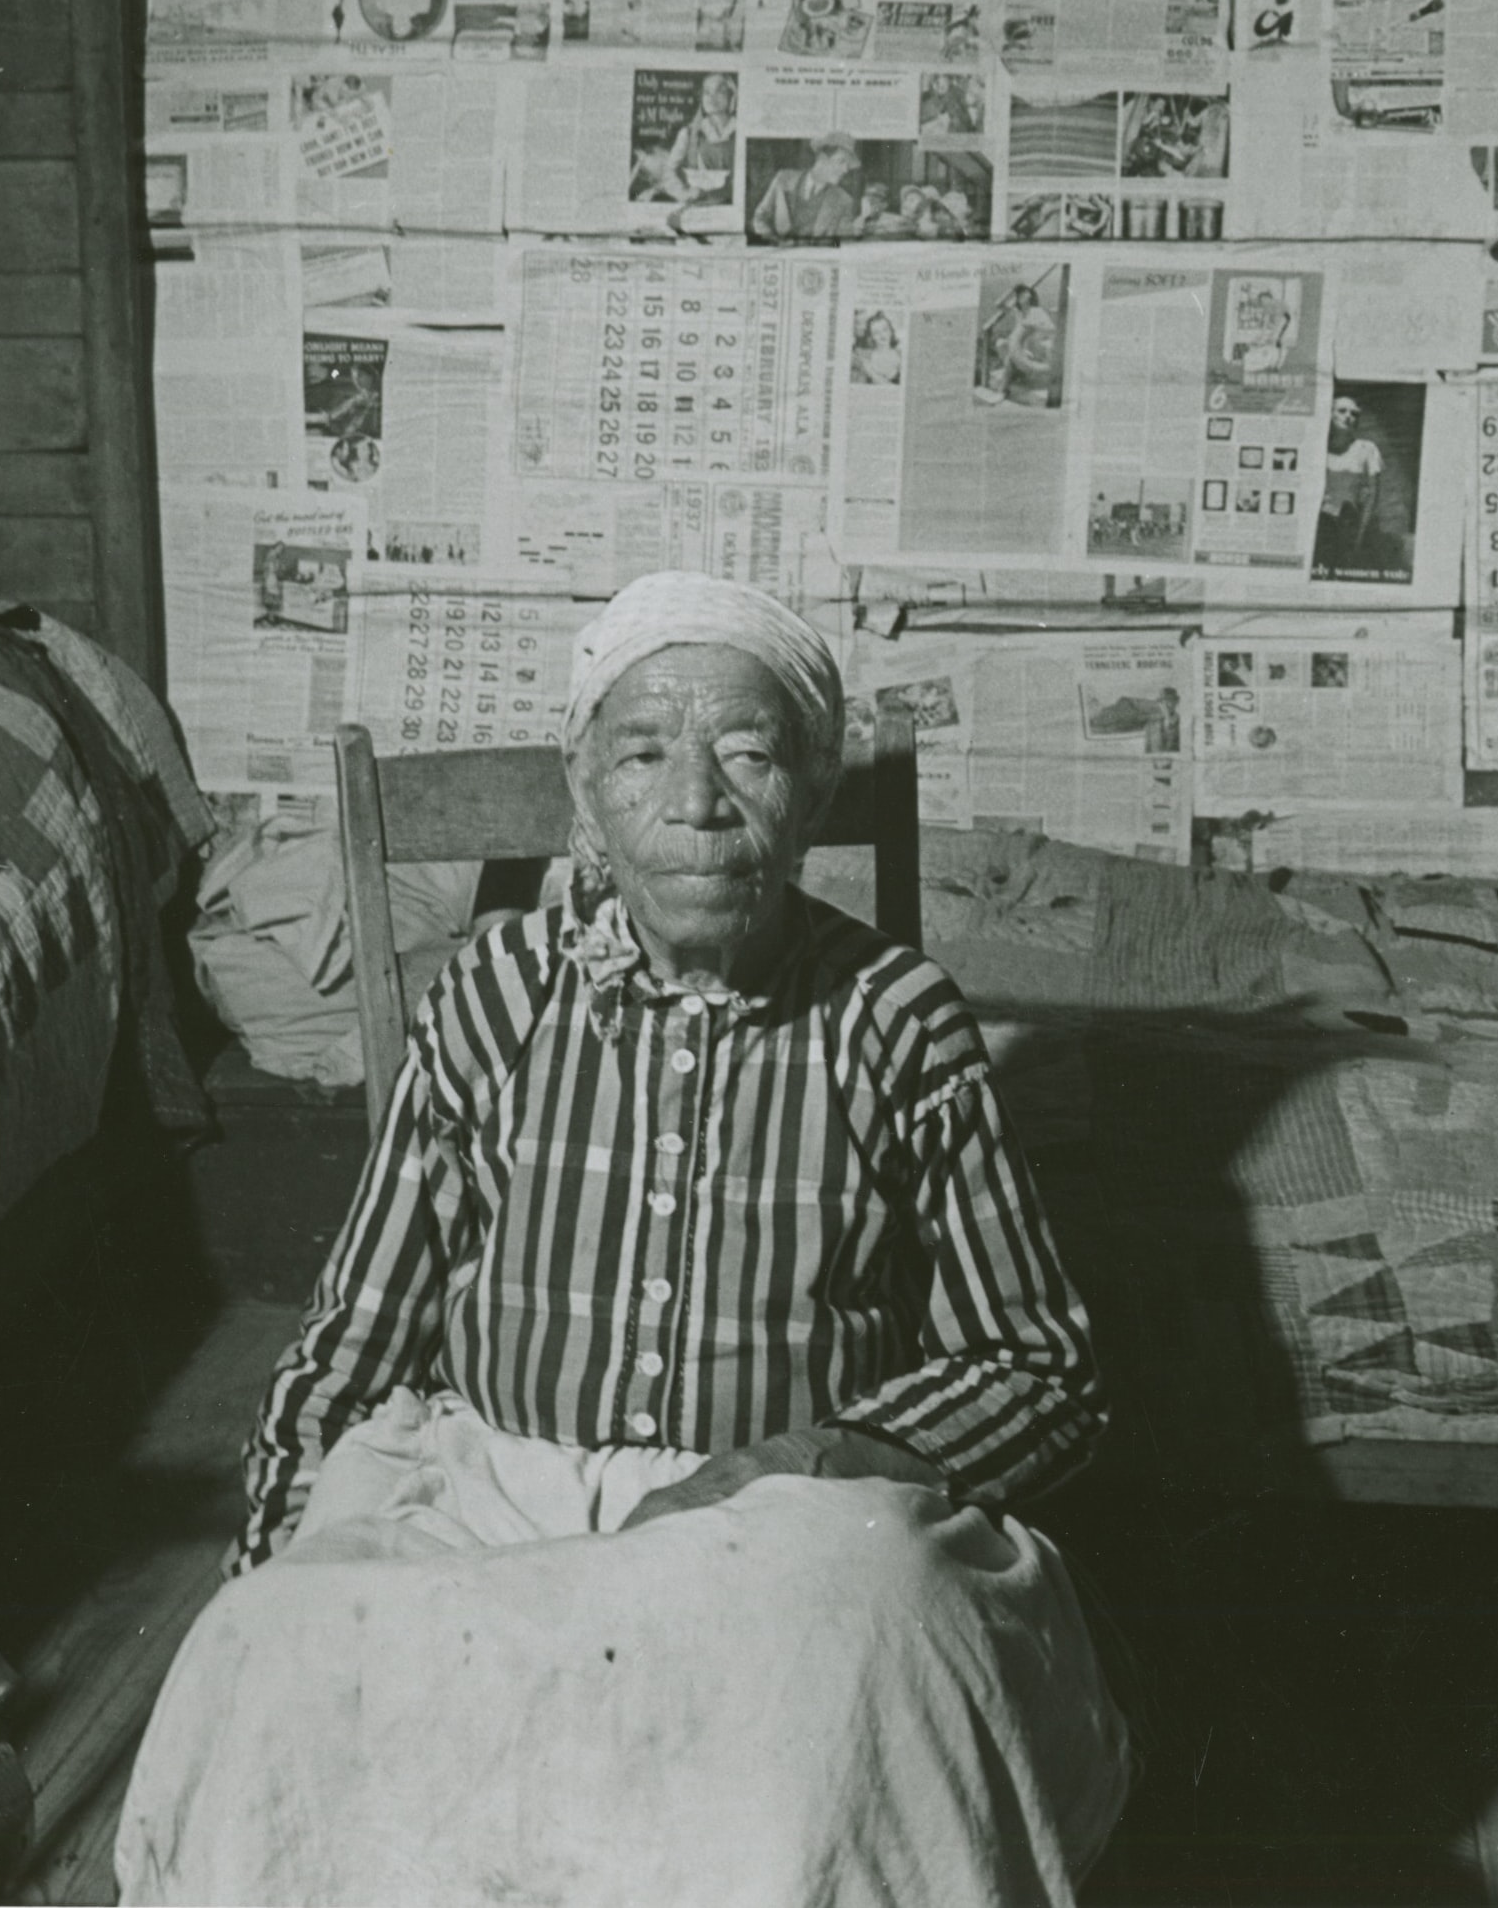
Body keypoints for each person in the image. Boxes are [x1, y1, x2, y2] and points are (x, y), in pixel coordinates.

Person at [116, 573, 1129, 1908]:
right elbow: (358, 1331)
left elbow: (1040, 1366)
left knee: (860, 1620)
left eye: (749, 754)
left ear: (811, 795)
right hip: (490, 1497)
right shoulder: (494, 990)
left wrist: (813, 1455)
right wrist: (280, 1566)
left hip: (781, 1521)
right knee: (278, 1644)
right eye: (642, 753)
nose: (697, 800)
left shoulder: (894, 1019)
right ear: (584, 798)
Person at [751, 131, 863, 241]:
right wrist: (774, 244)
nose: (845, 170)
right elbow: (760, 218)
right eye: (841, 161)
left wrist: (855, 230)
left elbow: (841, 241)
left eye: (847, 165)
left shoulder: (844, 200)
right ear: (823, 159)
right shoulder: (783, 179)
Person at [1314, 392, 1382, 570]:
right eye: (1342, 411)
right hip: (1317, 529)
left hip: (1347, 531)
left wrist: (1358, 540)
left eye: (1354, 414)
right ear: (1329, 414)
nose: (1348, 417)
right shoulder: (1315, 446)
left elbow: (1371, 499)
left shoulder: (1367, 449)